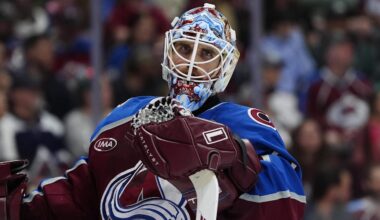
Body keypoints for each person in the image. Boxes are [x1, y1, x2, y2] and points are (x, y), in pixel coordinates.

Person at [0, 4, 305, 219]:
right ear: (168, 52)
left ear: (225, 66)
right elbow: (84, 192)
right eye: (185, 49)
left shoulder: (246, 125)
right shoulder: (123, 119)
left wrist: (238, 161)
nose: (191, 63)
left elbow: (287, 203)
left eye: (207, 53)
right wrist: (23, 209)